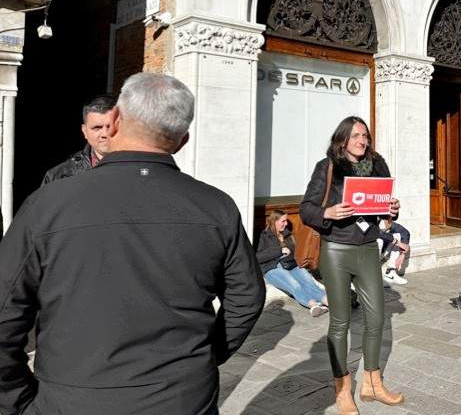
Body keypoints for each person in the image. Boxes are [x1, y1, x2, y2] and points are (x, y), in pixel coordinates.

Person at [0, 72, 266, 415]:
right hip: (182, 397)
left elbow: (4, 313)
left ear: (114, 121)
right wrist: (207, 355)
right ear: (182, 140)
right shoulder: (216, 206)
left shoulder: (47, 204)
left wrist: (16, 402)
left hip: (72, 399)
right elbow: (248, 296)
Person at [300, 115, 403, 415]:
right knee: (341, 321)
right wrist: (328, 212)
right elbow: (306, 208)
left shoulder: (378, 166)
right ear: (343, 139)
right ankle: (342, 388)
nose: (362, 141)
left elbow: (383, 206)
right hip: (336, 249)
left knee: (376, 318)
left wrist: (391, 209)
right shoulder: (328, 166)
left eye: (366, 136)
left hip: (368, 247)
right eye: (357, 135)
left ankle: (371, 382)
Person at [256, 209, 329, 316]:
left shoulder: (287, 235)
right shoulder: (264, 236)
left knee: (308, 281)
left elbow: (294, 254)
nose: (286, 224)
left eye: (286, 221)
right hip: (272, 268)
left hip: (290, 265)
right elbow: (258, 257)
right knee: (295, 285)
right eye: (283, 221)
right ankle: (314, 306)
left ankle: (329, 303)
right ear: (274, 221)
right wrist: (279, 251)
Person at [41, 94, 116, 185]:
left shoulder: (137, 169)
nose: (105, 134)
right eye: (97, 127)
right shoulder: (57, 177)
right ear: (85, 131)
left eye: (110, 126)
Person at [378, 218, 410, 286]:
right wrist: (395, 242)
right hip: (365, 254)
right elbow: (378, 233)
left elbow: (405, 232)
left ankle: (390, 273)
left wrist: (402, 253)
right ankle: (374, 278)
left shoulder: (389, 222)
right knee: (379, 241)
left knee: (398, 235)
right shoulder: (372, 222)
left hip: (381, 252)